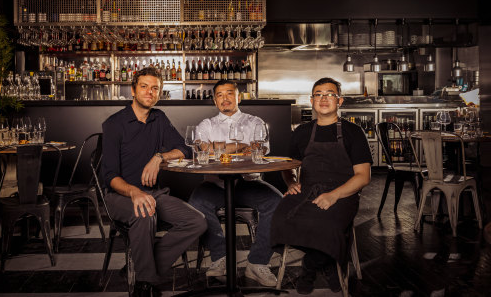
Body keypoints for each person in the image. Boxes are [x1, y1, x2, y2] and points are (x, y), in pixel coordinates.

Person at [101, 67, 207, 297]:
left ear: (160, 93)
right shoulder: (114, 124)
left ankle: (142, 265)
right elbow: (109, 176)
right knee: (144, 212)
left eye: (155, 88)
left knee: (197, 221)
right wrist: (134, 193)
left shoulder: (159, 118)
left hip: (154, 193)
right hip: (119, 195)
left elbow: (184, 150)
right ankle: (145, 285)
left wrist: (159, 157)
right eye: (144, 87)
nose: (150, 92)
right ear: (133, 90)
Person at [271, 77, 372, 294]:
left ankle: (310, 266)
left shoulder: (353, 132)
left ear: (340, 101)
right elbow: (286, 165)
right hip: (306, 191)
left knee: (326, 223)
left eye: (330, 94)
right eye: (318, 94)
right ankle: (328, 264)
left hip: (344, 194)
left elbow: (363, 177)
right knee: (280, 218)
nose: (323, 98)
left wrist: (334, 195)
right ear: (311, 101)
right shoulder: (301, 132)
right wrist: (291, 182)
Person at [188, 80, 282, 287]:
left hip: (249, 183)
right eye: (220, 95)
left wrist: (219, 147)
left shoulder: (256, 122)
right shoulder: (206, 124)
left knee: (277, 202)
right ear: (215, 101)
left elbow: (259, 149)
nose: (225, 98)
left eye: (229, 93)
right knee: (196, 202)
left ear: (239, 97)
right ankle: (221, 259)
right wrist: (241, 146)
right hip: (215, 185)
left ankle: (257, 263)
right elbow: (204, 151)